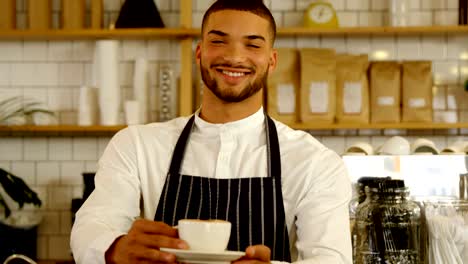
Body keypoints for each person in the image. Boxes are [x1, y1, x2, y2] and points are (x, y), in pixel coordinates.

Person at [70, 0, 353, 263]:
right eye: (218, 41)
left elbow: (331, 259)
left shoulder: (316, 162)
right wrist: (116, 248)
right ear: (199, 52)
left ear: (272, 60)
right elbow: (92, 226)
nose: (234, 57)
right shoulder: (136, 145)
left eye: (253, 45)